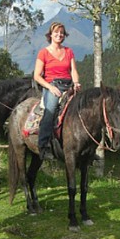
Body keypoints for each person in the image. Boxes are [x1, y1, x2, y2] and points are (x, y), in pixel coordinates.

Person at [33, 22, 81, 160]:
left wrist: (76, 83)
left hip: (68, 85)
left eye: (61, 33)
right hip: (52, 86)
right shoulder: (43, 53)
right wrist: (50, 87)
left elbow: (73, 70)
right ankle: (44, 146)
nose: (59, 35)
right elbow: (36, 75)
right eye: (56, 32)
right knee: (51, 110)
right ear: (50, 35)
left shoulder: (69, 51)